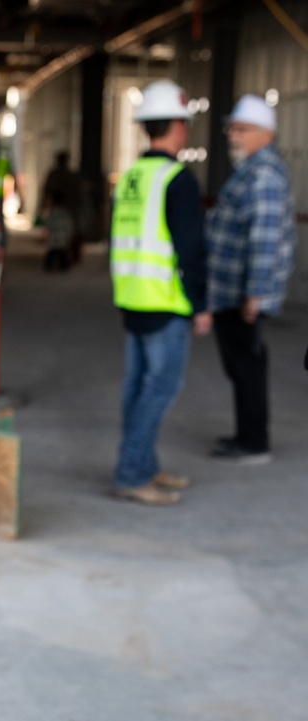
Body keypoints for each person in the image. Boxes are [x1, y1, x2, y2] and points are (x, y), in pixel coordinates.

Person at [108, 80, 212, 505]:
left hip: (132, 296)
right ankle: (132, 473)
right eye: (184, 123)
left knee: (137, 389)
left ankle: (144, 465)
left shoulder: (132, 175)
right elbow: (191, 249)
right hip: (167, 301)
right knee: (160, 389)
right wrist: (200, 304)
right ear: (175, 127)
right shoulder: (177, 179)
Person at [205, 94, 296, 464]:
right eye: (232, 128)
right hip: (231, 289)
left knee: (247, 365)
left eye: (241, 130)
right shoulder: (252, 170)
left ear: (265, 134)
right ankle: (246, 434)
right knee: (242, 365)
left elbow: (264, 238)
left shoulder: (262, 177)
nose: (233, 136)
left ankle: (254, 443)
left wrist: (254, 294)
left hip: (242, 292)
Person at [41, 151, 84, 264]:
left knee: (69, 232)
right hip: (65, 207)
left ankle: (70, 256)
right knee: (65, 231)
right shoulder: (62, 175)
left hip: (66, 207)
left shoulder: (62, 175)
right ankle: (66, 256)